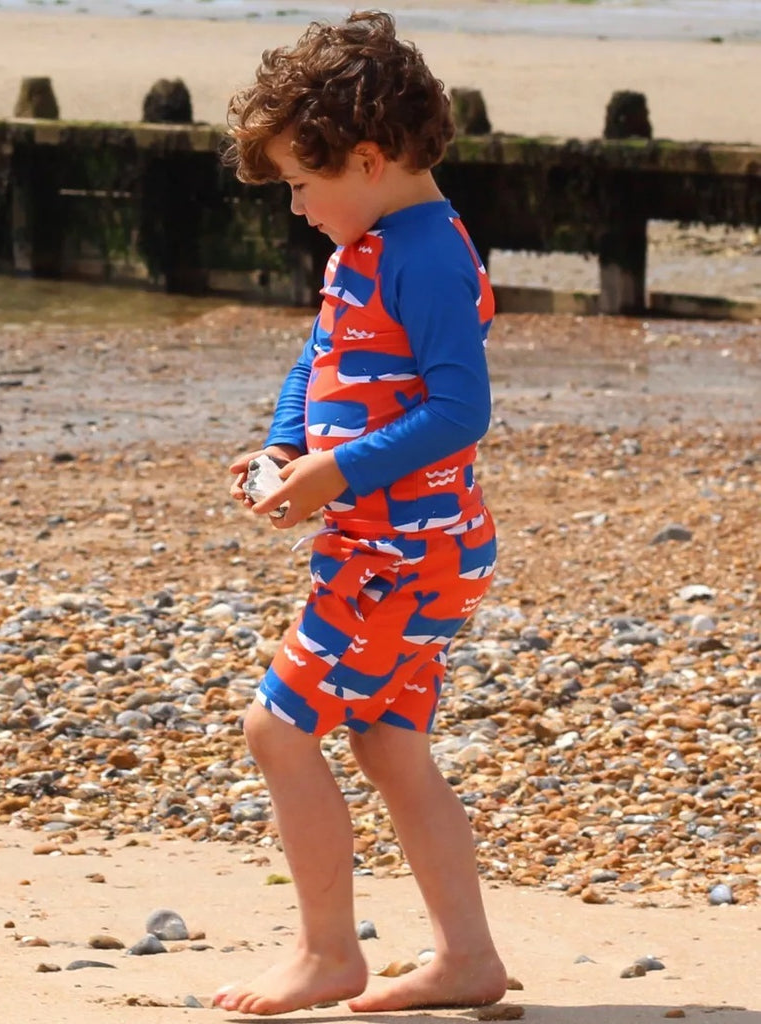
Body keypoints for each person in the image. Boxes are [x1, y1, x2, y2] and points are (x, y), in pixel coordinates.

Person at [215, 9, 507, 1016]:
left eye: (301, 183)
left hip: (399, 551)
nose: (295, 206)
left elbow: (460, 410)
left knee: (276, 729)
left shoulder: (423, 255)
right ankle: (465, 959)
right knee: (388, 743)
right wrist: (283, 448)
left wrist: (335, 473)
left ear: (370, 159)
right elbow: (319, 357)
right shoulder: (372, 245)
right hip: (412, 547)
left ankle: (326, 952)